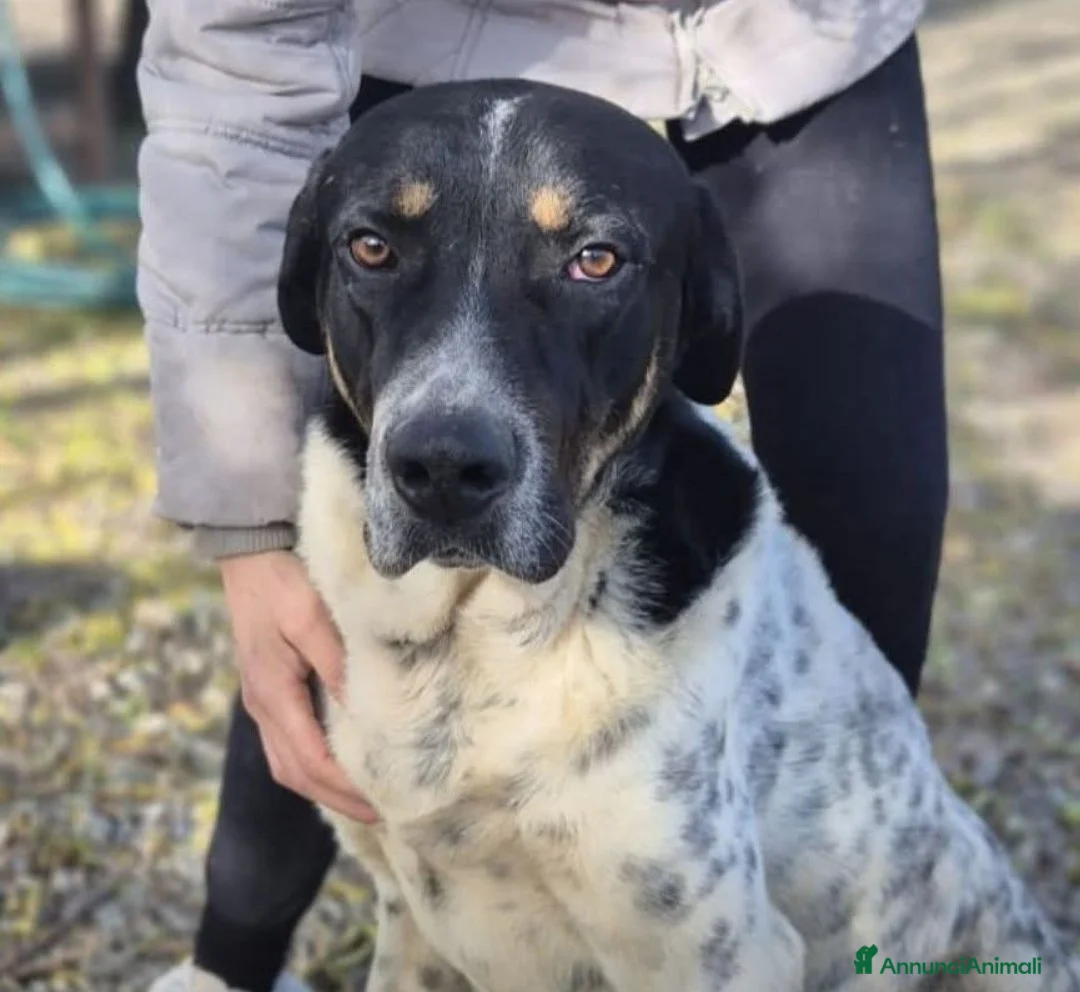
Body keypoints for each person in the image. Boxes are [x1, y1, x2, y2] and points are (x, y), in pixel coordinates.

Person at [139, 2, 948, 990]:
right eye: (372, 253)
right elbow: (237, 70)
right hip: (431, 23)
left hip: (792, 27)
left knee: (872, 504)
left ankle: (845, 930)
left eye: (593, 260)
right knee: (323, 595)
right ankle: (230, 965)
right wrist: (252, 525)